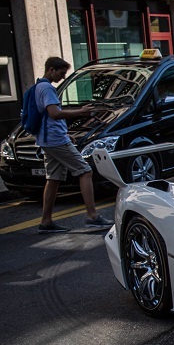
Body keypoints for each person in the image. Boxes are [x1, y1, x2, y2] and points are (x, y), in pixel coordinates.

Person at [33, 57, 113, 233]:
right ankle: (93, 217)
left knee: (53, 179)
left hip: (48, 139)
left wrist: (65, 132)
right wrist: (82, 112)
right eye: (61, 73)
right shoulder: (47, 88)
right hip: (55, 140)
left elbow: (47, 117)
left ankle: (46, 222)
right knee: (85, 171)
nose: (62, 78)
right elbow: (54, 113)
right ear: (51, 70)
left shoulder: (38, 86)